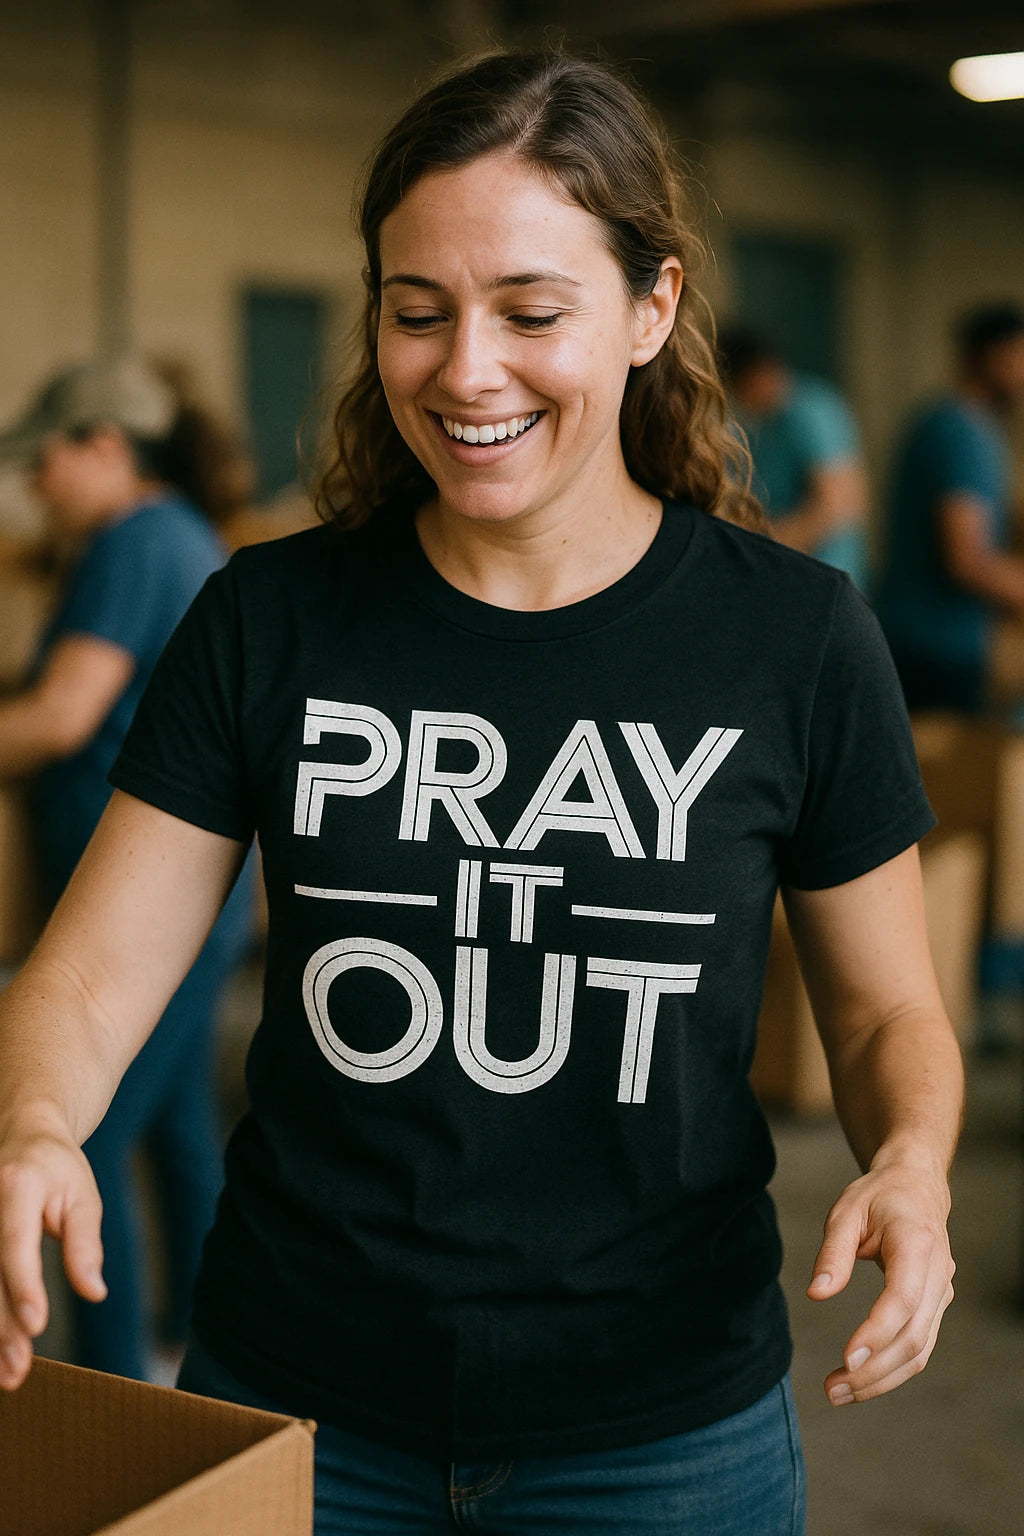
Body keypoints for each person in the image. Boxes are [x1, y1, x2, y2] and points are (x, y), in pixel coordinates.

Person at [0, 51, 962, 1536]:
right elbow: (91, 972)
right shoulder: (272, 620)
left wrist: (911, 1163)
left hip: (662, 1434)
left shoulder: (794, 637)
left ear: (651, 308)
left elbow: (885, 1012)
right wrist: (39, 1125)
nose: (467, 371)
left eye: (530, 312)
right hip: (298, 1403)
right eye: (417, 312)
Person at [0, 355, 253, 1382]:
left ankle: (113, 1387)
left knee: (83, 1137)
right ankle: (198, 1342)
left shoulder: (137, 543)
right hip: (179, 910)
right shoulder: (171, 537)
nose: (37, 488)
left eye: (45, 463)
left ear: (104, 446)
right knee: (179, 1126)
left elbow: (61, 717)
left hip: (148, 911)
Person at [874, 303, 1024, 715]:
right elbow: (967, 559)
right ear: (997, 356)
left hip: (920, 642)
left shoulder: (950, 424)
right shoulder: (960, 433)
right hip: (934, 653)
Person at [718, 324, 869, 588]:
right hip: (789, 575)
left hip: (823, 579)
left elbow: (834, 505)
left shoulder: (810, 411)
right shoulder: (761, 426)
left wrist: (757, 551)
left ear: (755, 374)